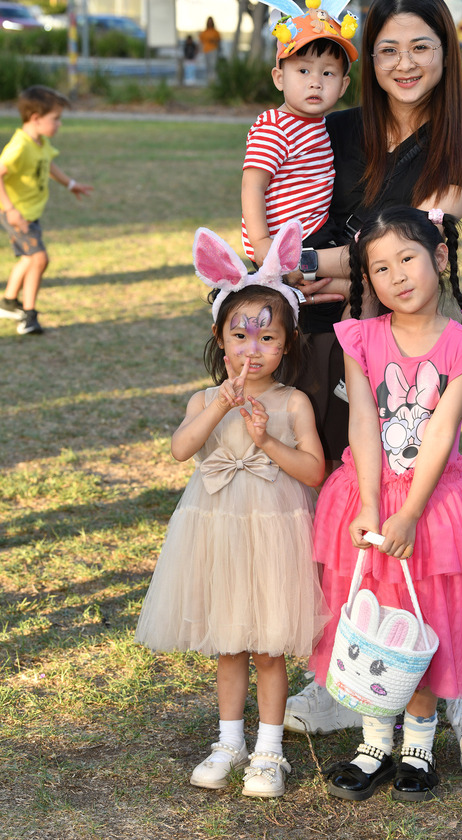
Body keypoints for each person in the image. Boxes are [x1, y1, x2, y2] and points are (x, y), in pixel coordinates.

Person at [284, 0, 462, 781]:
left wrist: (310, 262)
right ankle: (340, 673)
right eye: (387, 49)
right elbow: (286, 201)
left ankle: (460, 696)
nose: (404, 63)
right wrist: (300, 266)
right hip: (321, 337)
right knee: (335, 500)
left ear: (446, 52)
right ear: (366, 58)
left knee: (426, 508)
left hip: (405, 350)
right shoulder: (336, 129)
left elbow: (407, 246)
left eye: (421, 46)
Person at [310, 206, 462, 801]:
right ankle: (374, 741)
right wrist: (372, 504)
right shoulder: (360, 337)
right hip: (367, 493)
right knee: (368, 616)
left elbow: (441, 433)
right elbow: (363, 420)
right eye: (380, 268)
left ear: (439, 257)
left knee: (423, 621)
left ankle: (419, 745)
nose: (396, 276)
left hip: (430, 503)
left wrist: (409, 512)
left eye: (407, 258)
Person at [135, 221, 328, 799]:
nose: (253, 349)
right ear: (221, 340)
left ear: (287, 344)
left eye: (267, 338)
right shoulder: (205, 399)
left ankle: (269, 751)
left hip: (273, 533)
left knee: (269, 646)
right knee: (229, 643)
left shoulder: (293, 402)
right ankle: (228, 742)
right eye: (241, 336)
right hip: (217, 532)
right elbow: (181, 449)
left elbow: (314, 472)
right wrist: (220, 405)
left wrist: (267, 440)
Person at [240, 24, 354, 268]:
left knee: (366, 270)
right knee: (362, 272)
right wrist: (260, 241)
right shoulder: (275, 128)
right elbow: (252, 186)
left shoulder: (317, 124)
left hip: (316, 230)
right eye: (303, 70)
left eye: (328, 73)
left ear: (343, 86)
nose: (316, 82)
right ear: (279, 78)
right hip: (284, 242)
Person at [0, 85, 93, 335]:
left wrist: (70, 184)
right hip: (17, 214)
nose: (59, 124)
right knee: (40, 259)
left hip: (30, 212)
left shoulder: (40, 142)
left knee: (28, 258)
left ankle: (8, 301)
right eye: (56, 118)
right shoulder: (19, 146)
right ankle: (29, 317)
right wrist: (10, 210)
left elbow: (48, 164)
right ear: (36, 118)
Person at [199, 16, 221, 81]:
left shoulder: (215, 32)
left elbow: (218, 41)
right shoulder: (204, 32)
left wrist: (213, 41)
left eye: (211, 22)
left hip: (214, 50)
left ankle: (213, 79)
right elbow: (201, 42)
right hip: (206, 50)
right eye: (209, 22)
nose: (210, 23)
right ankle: (208, 79)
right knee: (207, 65)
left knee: (213, 65)